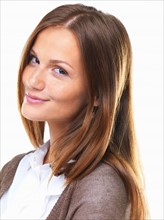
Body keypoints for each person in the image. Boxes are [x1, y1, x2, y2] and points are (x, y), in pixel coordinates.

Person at [0, 3, 148, 220]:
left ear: (97, 93)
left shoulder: (101, 187)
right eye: (35, 59)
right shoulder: (16, 169)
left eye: (59, 71)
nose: (32, 80)